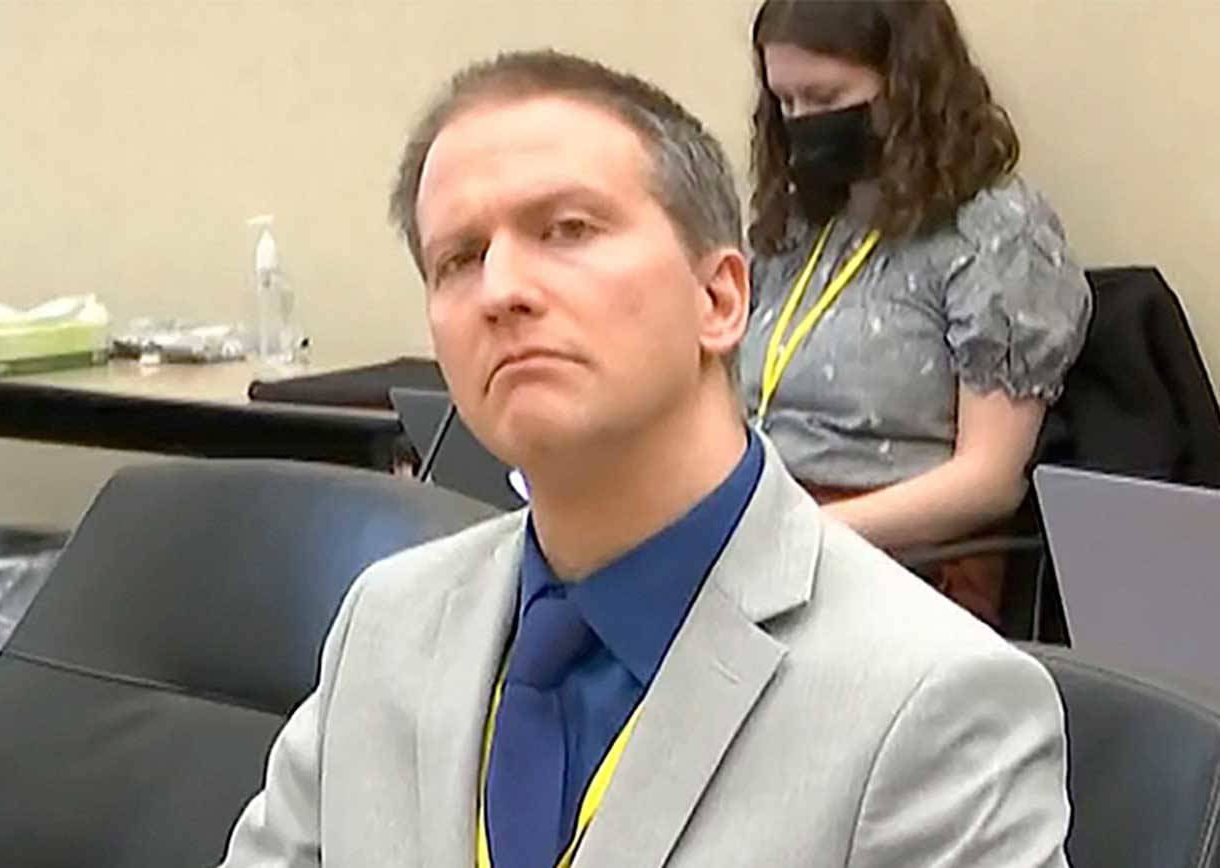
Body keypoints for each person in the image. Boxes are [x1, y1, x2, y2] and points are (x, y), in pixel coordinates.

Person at [219, 50, 1070, 867]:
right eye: (459, 259)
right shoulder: (386, 623)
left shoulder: (932, 700)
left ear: (719, 298)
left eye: (567, 229)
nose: (502, 289)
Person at [743, 0, 1092, 627]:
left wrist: (802, 536)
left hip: (903, 560)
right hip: (765, 527)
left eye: (824, 99)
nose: (803, 124)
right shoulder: (799, 226)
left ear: (906, 89)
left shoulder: (995, 232)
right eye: (787, 104)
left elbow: (989, 482)